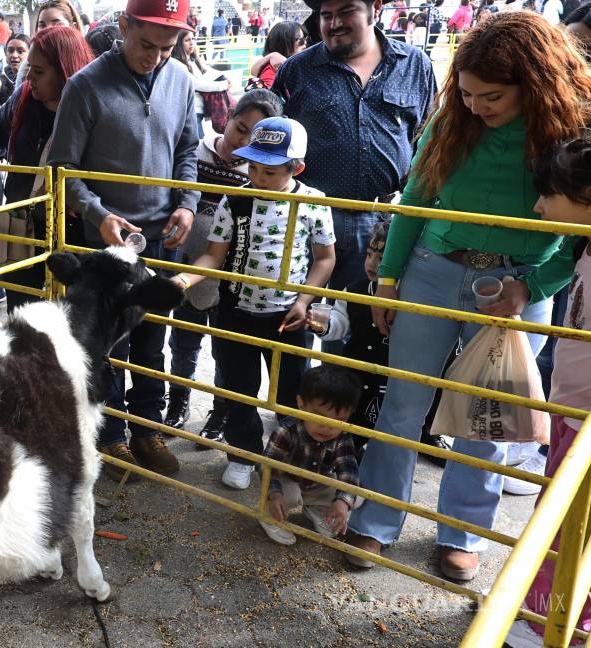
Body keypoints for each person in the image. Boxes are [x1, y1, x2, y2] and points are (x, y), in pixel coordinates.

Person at [347, 11, 591, 582]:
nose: (478, 106)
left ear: (535, 83)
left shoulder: (572, 127)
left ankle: (464, 532)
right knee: (403, 402)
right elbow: (415, 198)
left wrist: (530, 286)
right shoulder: (453, 119)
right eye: (467, 93)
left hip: (516, 284)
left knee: (488, 420)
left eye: (493, 97)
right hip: (431, 270)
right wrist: (388, 278)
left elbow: (580, 233)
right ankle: (377, 519)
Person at [48, 0, 199, 481]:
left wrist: (187, 202)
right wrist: (96, 215)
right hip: (106, 244)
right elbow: (62, 171)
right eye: (145, 44)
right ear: (124, 27)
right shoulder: (86, 85)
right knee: (108, 341)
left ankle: (148, 427)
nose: (154, 56)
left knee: (154, 337)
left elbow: (189, 149)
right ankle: (109, 435)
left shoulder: (181, 80)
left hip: (161, 233)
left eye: (167, 47)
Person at [175, 117, 336, 491]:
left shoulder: (314, 204)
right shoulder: (236, 200)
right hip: (237, 311)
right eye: (253, 167)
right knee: (239, 387)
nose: (258, 177)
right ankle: (242, 455)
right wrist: (182, 279)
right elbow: (215, 255)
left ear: (297, 168)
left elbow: (324, 258)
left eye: (269, 171)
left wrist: (305, 299)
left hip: (289, 316)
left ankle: (287, 459)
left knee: (291, 392)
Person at [271, 0, 435, 306]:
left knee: (355, 324)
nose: (334, 23)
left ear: (375, 7)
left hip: (383, 224)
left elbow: (423, 139)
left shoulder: (415, 65)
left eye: (346, 11)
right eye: (326, 15)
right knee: (294, 318)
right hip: (309, 218)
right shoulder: (296, 70)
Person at [503, 137, 591, 648]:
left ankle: (549, 626)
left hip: (585, 424)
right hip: (570, 412)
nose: (538, 206)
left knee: (565, 532)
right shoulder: (584, 248)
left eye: (549, 194)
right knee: (557, 522)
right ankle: (557, 617)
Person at [164, 89, 284, 438]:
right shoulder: (195, 153)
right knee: (182, 343)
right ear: (228, 117)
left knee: (224, 351)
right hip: (187, 267)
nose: (242, 140)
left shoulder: (259, 172)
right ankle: (178, 401)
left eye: (255, 135)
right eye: (240, 127)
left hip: (229, 277)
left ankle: (220, 412)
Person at [0, 25, 94, 312]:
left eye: (39, 71)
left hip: (74, 229)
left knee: (71, 316)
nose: (29, 76)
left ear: (65, 70)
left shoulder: (90, 104)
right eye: (30, 67)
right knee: (22, 310)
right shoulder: (23, 96)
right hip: (25, 222)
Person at [311, 220, 397, 457]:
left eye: (381, 258)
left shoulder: (408, 299)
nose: (372, 263)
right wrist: (323, 326)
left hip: (387, 383)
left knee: (381, 433)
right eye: (369, 254)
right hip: (354, 377)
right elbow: (340, 324)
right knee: (349, 428)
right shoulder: (354, 290)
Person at [260, 365, 362, 545]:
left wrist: (343, 503)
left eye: (339, 421)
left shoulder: (343, 435)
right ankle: (269, 514)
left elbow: (349, 470)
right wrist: (274, 494)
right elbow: (268, 465)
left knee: (357, 496)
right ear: (301, 404)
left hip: (317, 482)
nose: (328, 428)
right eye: (320, 417)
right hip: (287, 480)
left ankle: (316, 508)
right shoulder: (287, 430)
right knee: (286, 494)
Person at [173, 31, 227, 137]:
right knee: (197, 143)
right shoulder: (177, 63)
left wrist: (226, 78)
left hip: (198, 110)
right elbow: (196, 84)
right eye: (187, 40)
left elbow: (209, 73)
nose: (192, 43)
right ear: (179, 43)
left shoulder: (195, 60)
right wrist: (222, 85)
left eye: (193, 39)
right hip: (188, 111)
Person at [248, 21, 307, 90]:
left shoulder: (287, 64)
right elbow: (264, 97)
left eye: (306, 39)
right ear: (285, 43)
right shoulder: (273, 69)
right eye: (301, 41)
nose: (305, 43)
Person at [0, 33, 30, 104]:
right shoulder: (0, 78)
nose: (14, 55)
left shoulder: (32, 80)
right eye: (10, 51)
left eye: (20, 51)